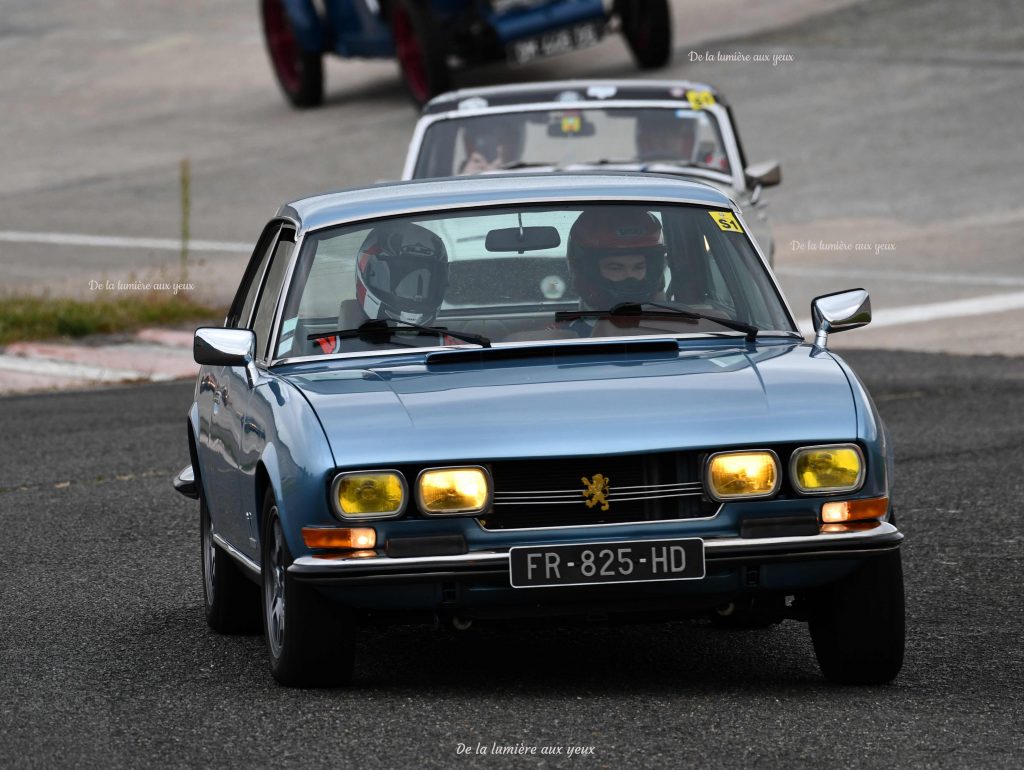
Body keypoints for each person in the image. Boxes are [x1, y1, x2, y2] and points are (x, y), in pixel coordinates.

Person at [318, 222, 449, 355]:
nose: (415, 295)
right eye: (403, 280)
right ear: (368, 273)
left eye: (427, 283)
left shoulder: (450, 351)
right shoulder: (327, 353)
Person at [567, 208, 667, 314]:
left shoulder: (679, 324)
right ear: (589, 271)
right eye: (616, 268)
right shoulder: (564, 330)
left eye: (639, 267)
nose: (630, 276)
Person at [634, 110, 728, 170]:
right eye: (656, 134)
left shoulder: (709, 167)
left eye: (672, 134)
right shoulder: (629, 168)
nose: (663, 141)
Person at [457, 116, 525, 174]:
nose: (497, 147)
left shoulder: (526, 172)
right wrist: (467, 176)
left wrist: (502, 170)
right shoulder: (463, 172)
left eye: (501, 140)